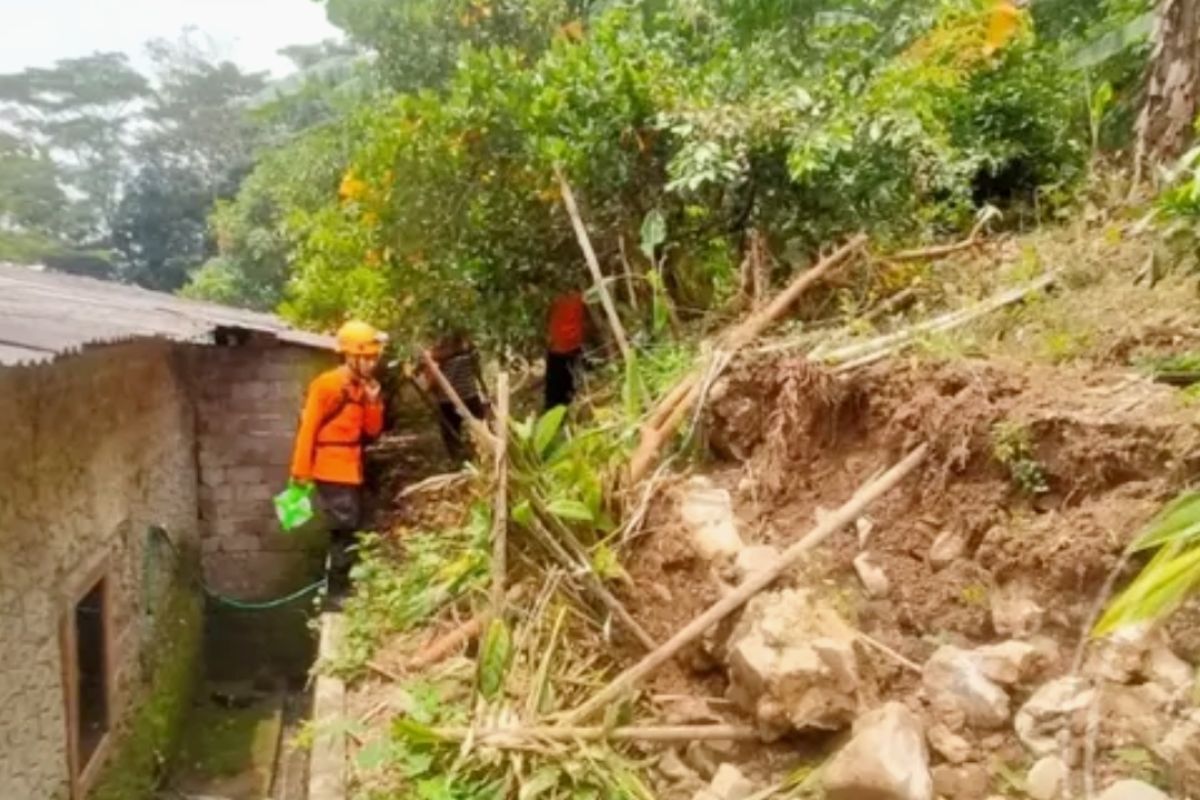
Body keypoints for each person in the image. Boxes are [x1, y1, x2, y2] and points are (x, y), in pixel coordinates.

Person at [290, 319, 386, 600]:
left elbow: (372, 431)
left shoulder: (364, 387)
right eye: (366, 357)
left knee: (351, 526)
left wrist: (373, 401)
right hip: (330, 467)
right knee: (345, 527)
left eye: (374, 358)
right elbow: (308, 429)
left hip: (352, 466)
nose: (372, 363)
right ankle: (337, 595)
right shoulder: (327, 385)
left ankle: (342, 587)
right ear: (350, 356)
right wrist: (300, 473)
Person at [420, 332, 488, 461]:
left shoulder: (438, 357)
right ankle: (480, 455)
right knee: (479, 427)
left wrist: (428, 388)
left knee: (451, 432)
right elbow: (477, 371)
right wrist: (484, 389)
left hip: (448, 400)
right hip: (469, 395)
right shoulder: (469, 353)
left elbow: (433, 380)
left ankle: (458, 459)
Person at [544, 291, 587, 411]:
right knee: (567, 384)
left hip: (560, 348)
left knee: (557, 388)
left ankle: (558, 410)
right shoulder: (578, 297)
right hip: (569, 346)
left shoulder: (557, 298)